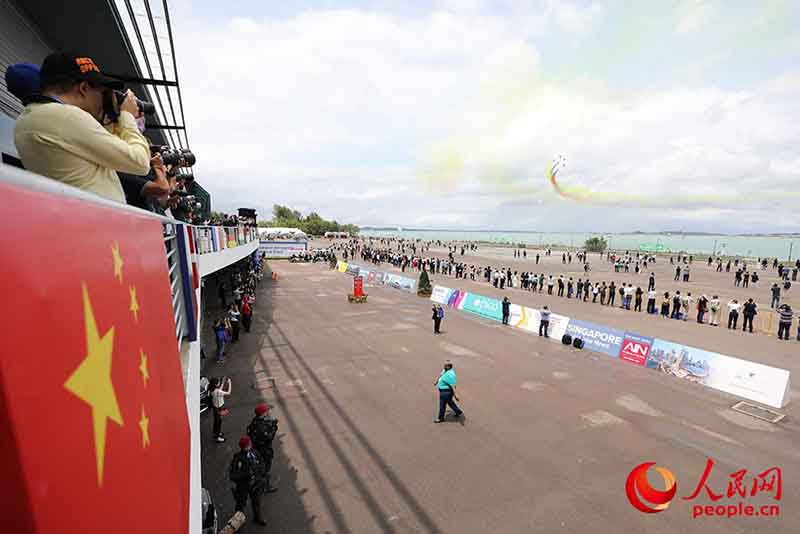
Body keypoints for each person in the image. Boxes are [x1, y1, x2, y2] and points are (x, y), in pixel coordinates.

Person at [13, 53, 150, 202]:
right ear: (84, 88)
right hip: (93, 212)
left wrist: (114, 121)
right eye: (101, 92)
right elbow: (140, 162)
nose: (102, 98)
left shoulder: (28, 117)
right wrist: (127, 115)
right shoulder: (67, 116)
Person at [229, 436, 273, 527]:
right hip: (243, 486)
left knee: (256, 502)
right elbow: (233, 475)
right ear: (244, 446)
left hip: (256, 484)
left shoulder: (254, 452)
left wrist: (261, 472)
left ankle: (257, 517)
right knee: (240, 505)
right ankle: (237, 522)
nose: (250, 444)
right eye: (248, 444)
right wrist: (246, 474)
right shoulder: (238, 458)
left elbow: (261, 462)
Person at [247, 404, 279, 475]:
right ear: (262, 414)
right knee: (265, 464)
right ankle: (263, 476)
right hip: (263, 449)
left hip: (255, 447)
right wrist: (274, 427)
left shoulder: (254, 421)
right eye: (266, 411)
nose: (267, 412)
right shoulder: (262, 426)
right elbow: (270, 437)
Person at [210, 377, 232, 443]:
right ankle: (217, 437)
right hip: (219, 408)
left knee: (216, 422)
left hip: (215, 408)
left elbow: (219, 390)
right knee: (218, 423)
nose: (219, 383)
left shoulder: (212, 389)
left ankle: (216, 433)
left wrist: (223, 383)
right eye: (218, 382)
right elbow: (228, 392)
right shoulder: (218, 392)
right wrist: (229, 383)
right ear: (216, 384)